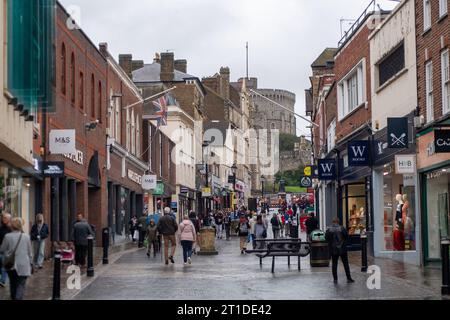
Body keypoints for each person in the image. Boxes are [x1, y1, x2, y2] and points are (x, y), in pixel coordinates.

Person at [0, 218, 32, 300]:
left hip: (10, 264)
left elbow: (2, 249)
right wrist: (31, 263)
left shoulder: (7, 236)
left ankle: (14, 297)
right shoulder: (26, 237)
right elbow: (30, 252)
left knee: (12, 284)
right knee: (21, 285)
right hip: (23, 265)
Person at [325, 217, 354, 284]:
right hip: (342, 248)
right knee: (345, 264)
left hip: (333, 249)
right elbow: (346, 236)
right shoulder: (342, 228)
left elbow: (326, 238)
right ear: (338, 222)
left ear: (333, 222)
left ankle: (335, 279)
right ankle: (349, 277)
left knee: (334, 264)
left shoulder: (329, 229)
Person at [0, 213, 12, 287]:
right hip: (1, 249)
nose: (3, 219)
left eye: (5, 218)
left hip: (8, 251)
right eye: (3, 217)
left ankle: (3, 281)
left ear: (9, 219)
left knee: (4, 266)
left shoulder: (12, 228)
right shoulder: (1, 228)